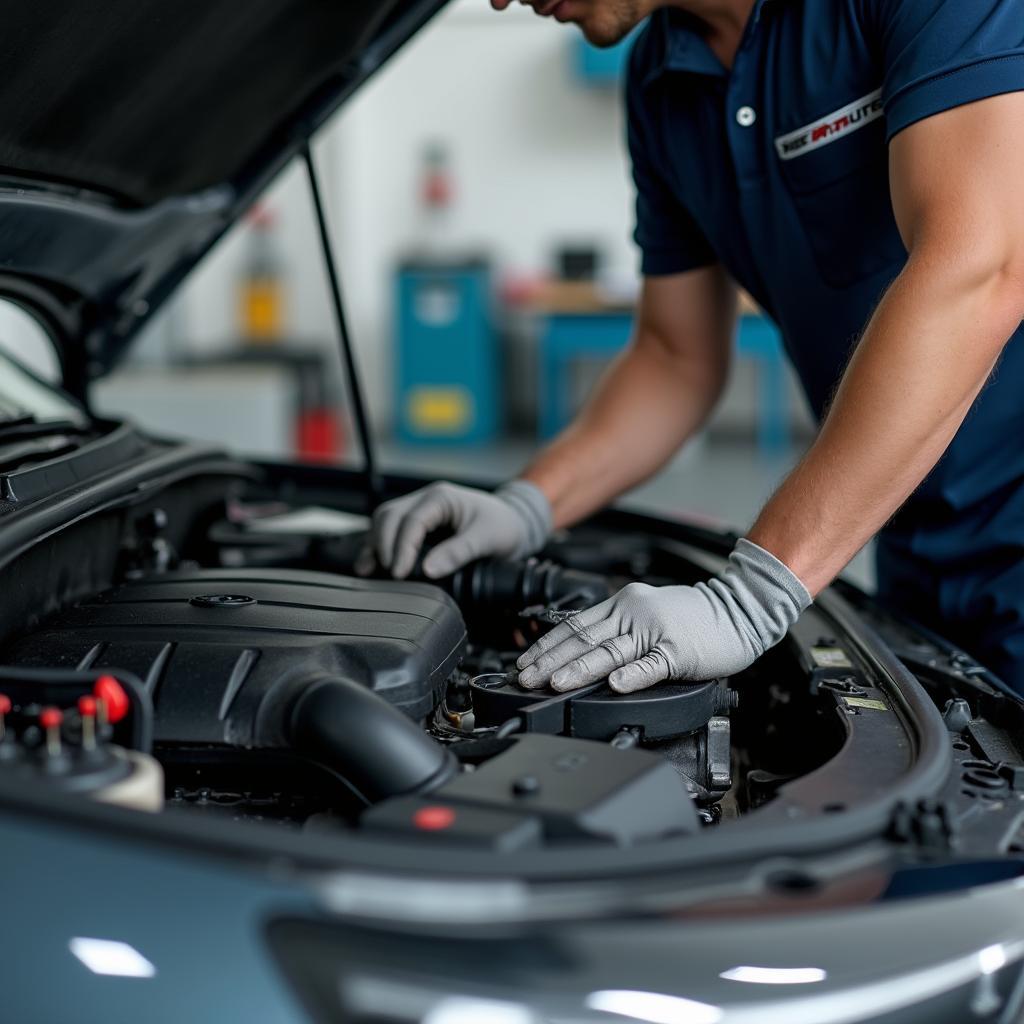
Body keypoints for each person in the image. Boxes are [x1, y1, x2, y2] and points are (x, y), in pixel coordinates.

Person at [359, 0, 1024, 694]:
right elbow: (675, 357)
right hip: (908, 537)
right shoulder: (658, 79)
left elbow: (979, 270)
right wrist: (529, 503)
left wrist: (753, 594)